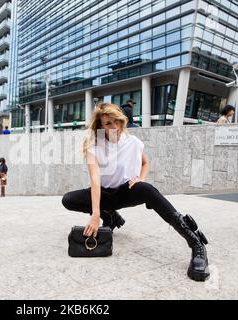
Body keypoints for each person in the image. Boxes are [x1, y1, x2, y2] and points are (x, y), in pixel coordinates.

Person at [61, 103, 210, 282]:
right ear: (101, 126)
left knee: (146, 189)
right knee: (68, 200)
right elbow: (95, 179)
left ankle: (196, 243)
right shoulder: (95, 144)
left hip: (125, 192)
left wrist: (141, 178)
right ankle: (111, 216)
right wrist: (96, 213)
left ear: (122, 120)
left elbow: (145, 163)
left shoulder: (132, 142)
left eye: (116, 120)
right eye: (108, 123)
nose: (114, 126)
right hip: (103, 194)